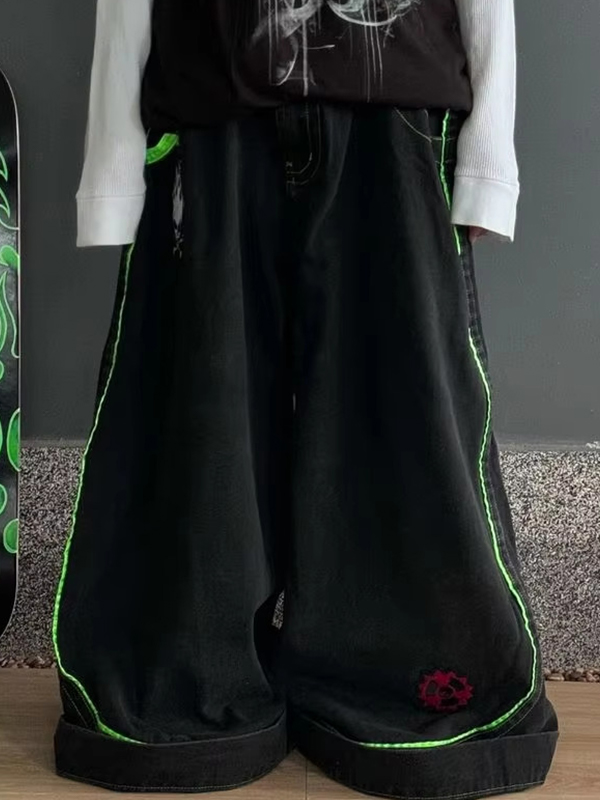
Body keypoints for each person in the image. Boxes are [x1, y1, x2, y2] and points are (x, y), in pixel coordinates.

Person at [53, 1, 558, 797]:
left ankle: (408, 675)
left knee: (407, 426)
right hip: (208, 109)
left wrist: (490, 161)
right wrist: (113, 166)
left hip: (396, 111)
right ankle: (192, 678)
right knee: (202, 419)